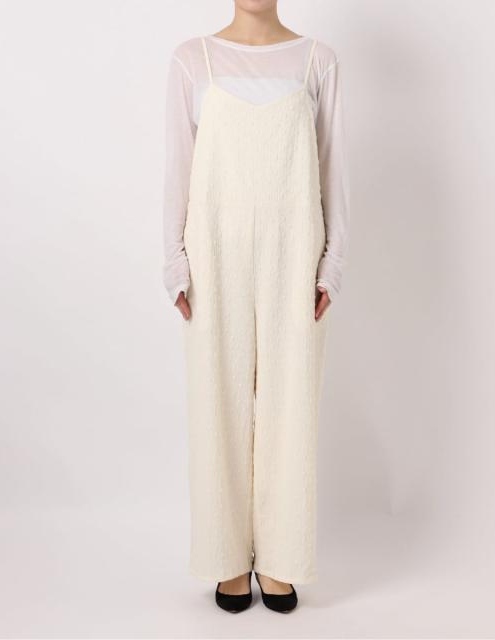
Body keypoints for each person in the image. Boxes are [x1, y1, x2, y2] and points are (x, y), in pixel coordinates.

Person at [162, 0, 350, 613]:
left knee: (290, 402)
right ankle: (225, 558)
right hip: (212, 251)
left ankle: (280, 559)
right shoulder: (193, 61)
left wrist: (333, 262)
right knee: (216, 399)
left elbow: (333, 166)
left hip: (295, 252)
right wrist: (174, 260)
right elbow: (178, 166)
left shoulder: (318, 61)